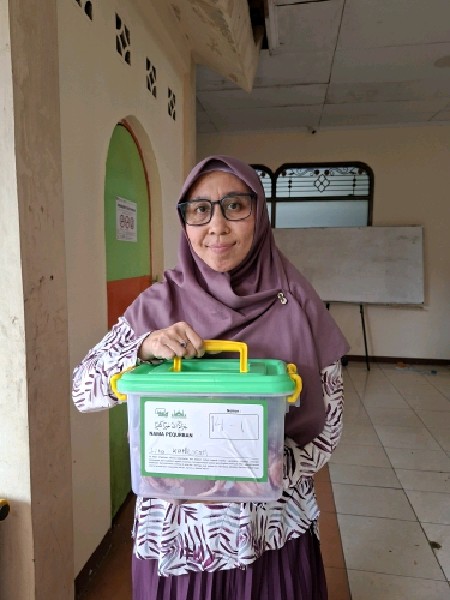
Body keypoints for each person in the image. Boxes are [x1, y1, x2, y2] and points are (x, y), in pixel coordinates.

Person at [73, 155, 349, 600]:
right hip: (179, 541)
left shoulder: (297, 303)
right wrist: (141, 348)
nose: (216, 226)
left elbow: (329, 427)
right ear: (185, 224)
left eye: (234, 206)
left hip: (270, 534)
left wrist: (271, 469)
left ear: (258, 215)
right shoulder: (157, 306)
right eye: (200, 210)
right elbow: (82, 389)